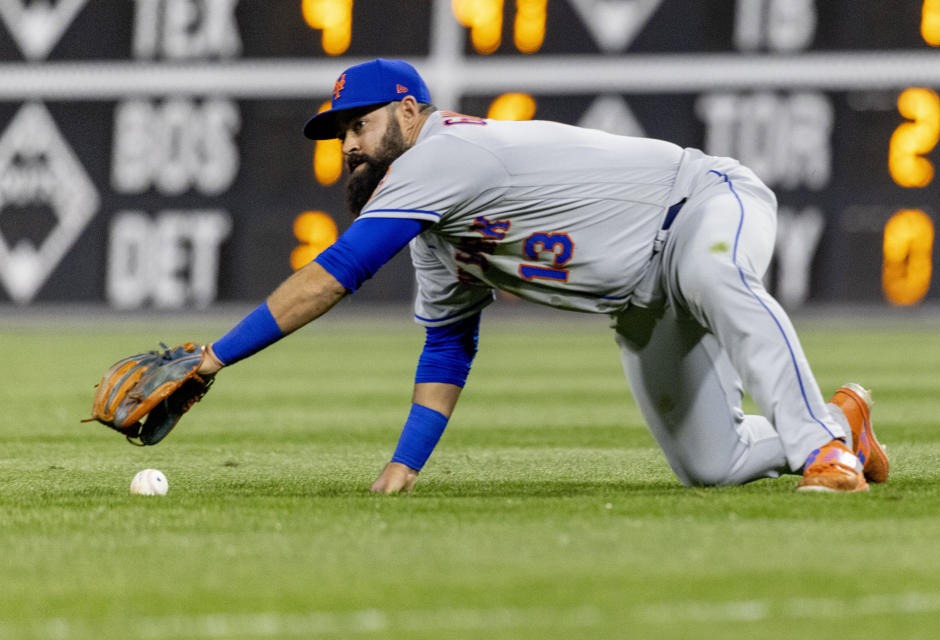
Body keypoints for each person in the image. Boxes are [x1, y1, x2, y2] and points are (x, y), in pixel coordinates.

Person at [196, 58, 889, 494]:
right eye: (340, 134)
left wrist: (211, 360)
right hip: (640, 303)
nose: (348, 146)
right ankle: (843, 424)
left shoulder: (440, 156)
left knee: (719, 277)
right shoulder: (434, 234)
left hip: (701, 203)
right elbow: (447, 345)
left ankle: (824, 453)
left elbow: (336, 271)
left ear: (410, 112)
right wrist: (405, 467)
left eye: (360, 125)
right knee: (711, 466)